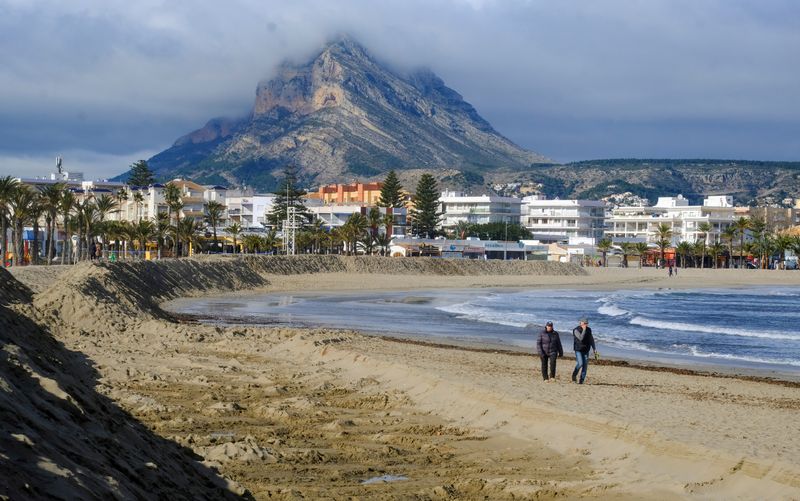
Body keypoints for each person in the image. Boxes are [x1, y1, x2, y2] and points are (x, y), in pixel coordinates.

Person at [572, 318, 597, 384]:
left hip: (586, 350)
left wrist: (594, 349)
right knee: (580, 364)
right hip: (578, 350)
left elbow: (591, 339)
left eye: (587, 323)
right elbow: (581, 338)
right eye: (585, 323)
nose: (586, 325)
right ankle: (574, 375)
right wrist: (584, 329)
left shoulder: (589, 330)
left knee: (585, 366)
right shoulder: (576, 330)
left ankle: (581, 380)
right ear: (581, 323)